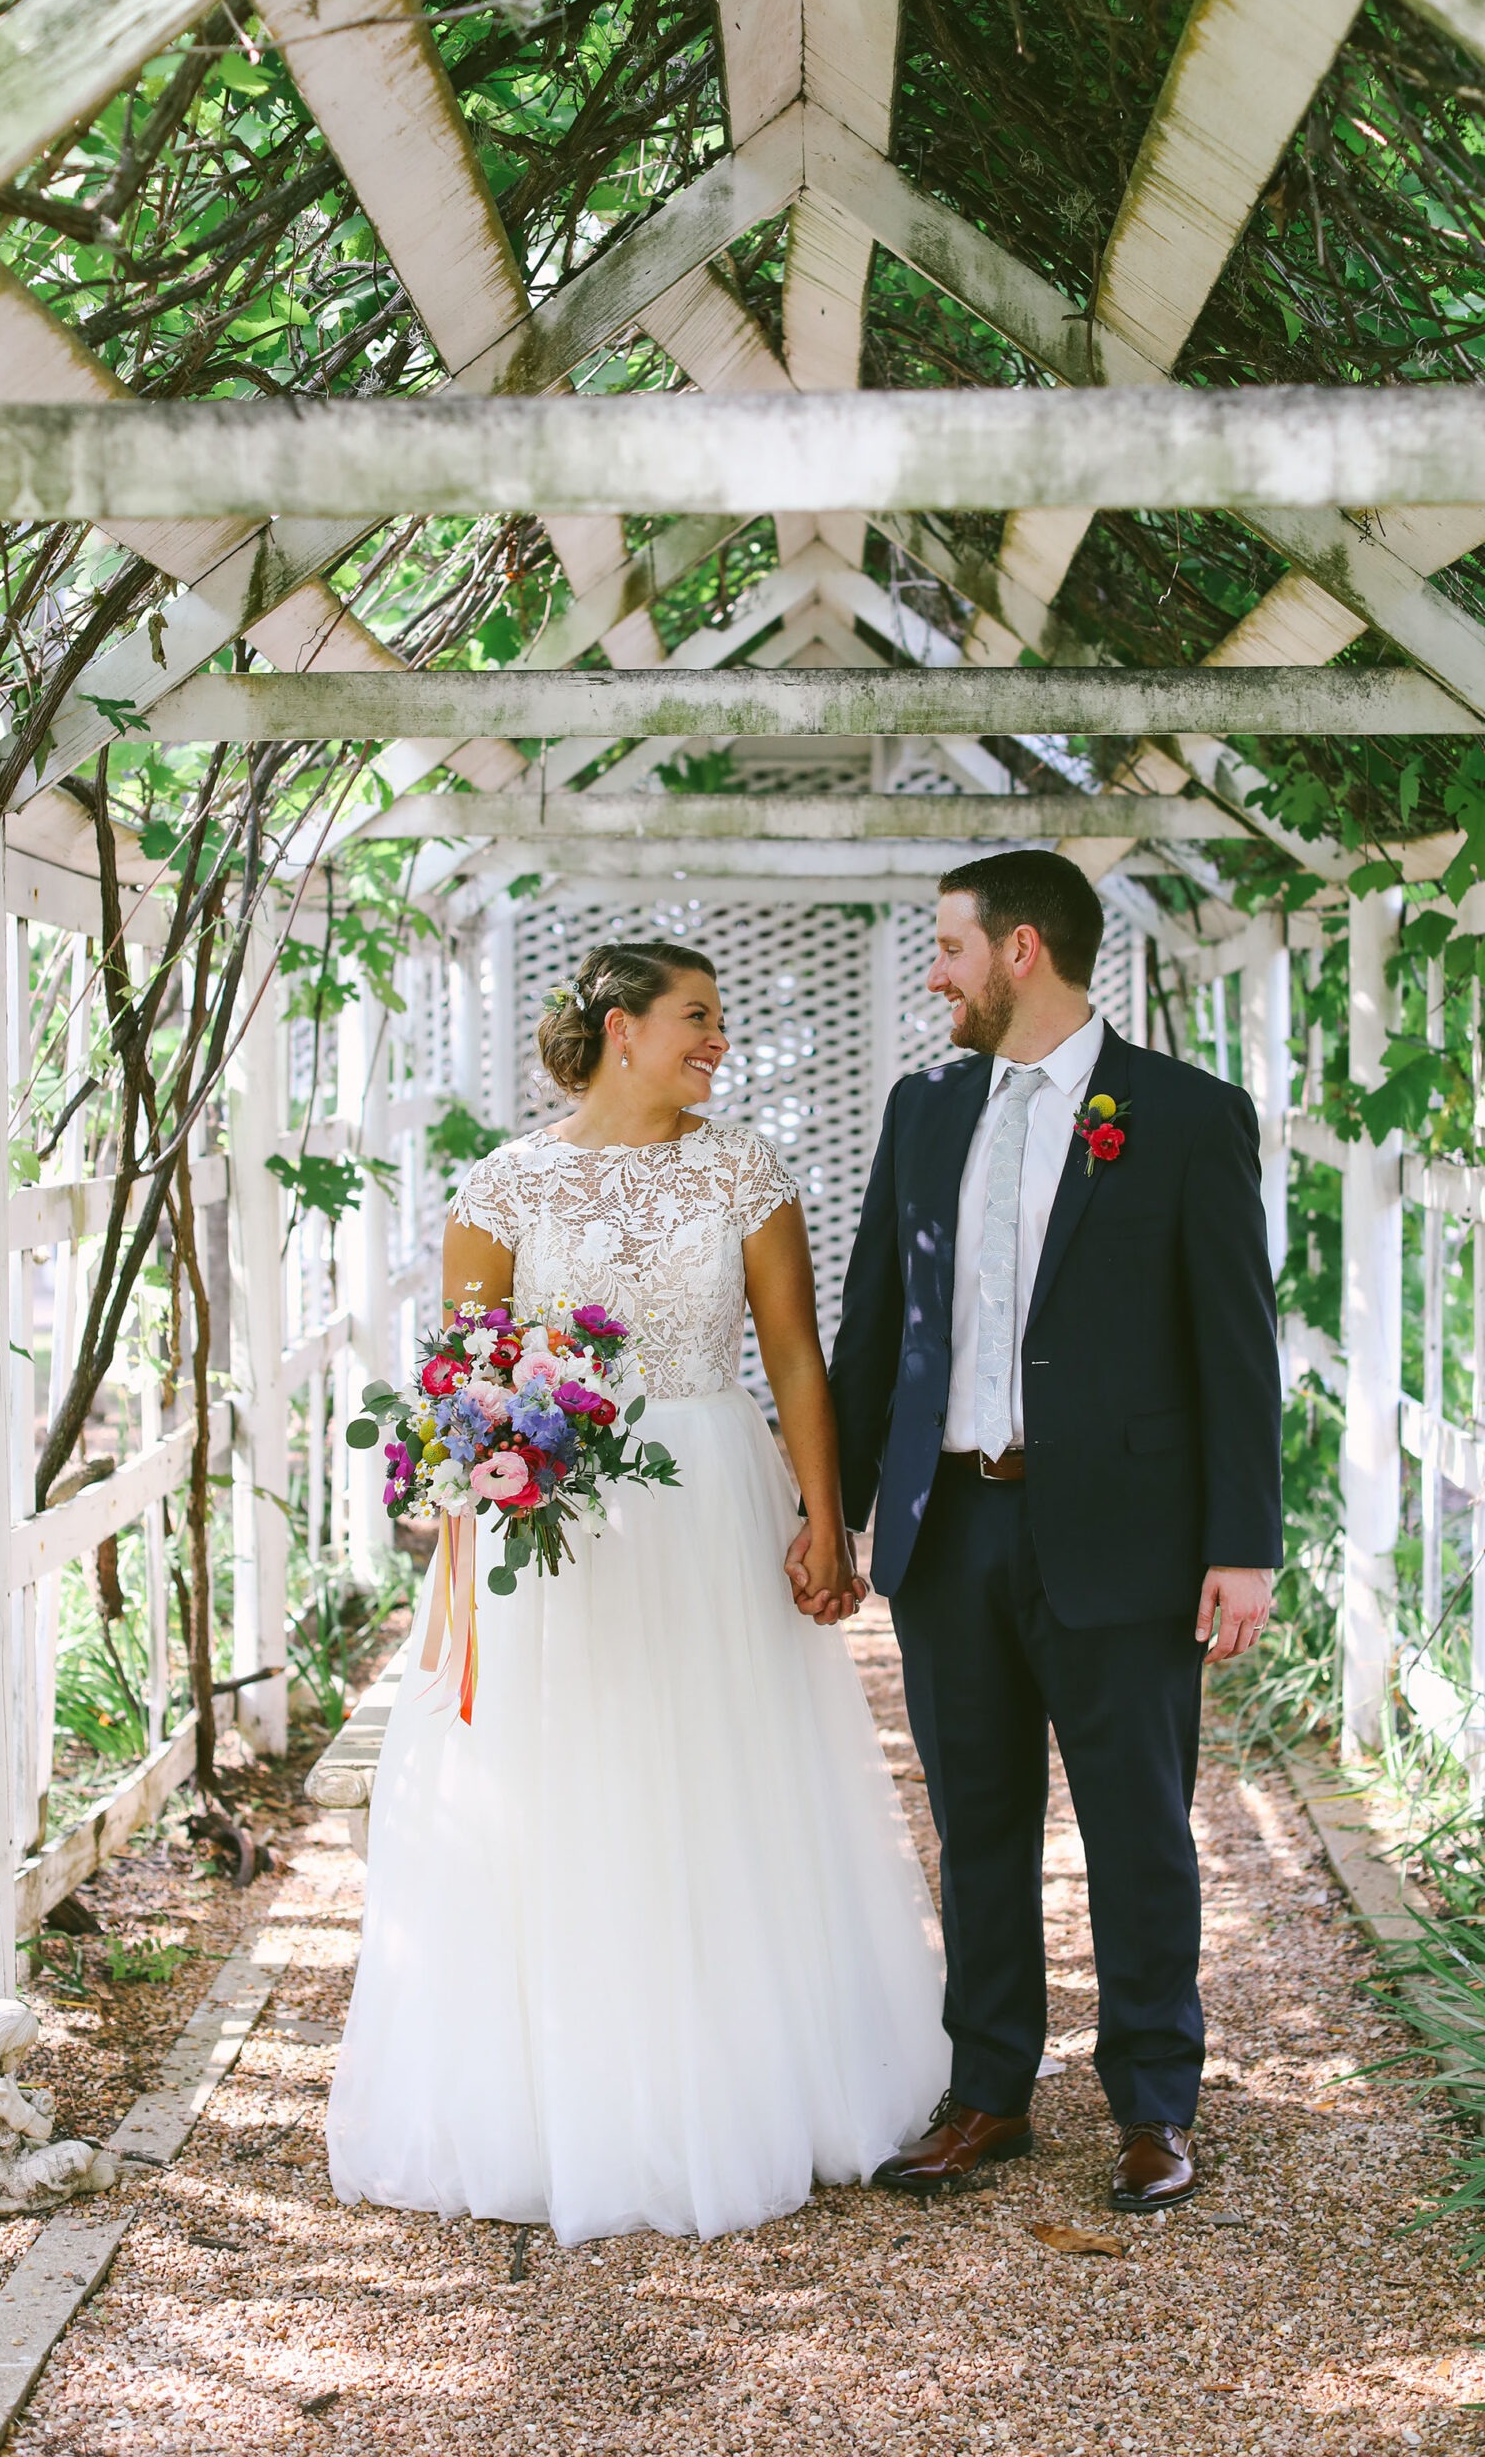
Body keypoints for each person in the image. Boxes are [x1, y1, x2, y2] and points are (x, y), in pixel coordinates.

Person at [328, 940, 949, 2244]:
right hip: (562, 1527)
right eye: (696, 1018)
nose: (716, 1041)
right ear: (620, 1030)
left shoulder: (741, 1171)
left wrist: (822, 1516)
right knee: (570, 1781)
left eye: (719, 1019)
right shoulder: (504, 1186)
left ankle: (742, 2081)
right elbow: (464, 1378)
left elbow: (792, 1354)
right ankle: (564, 2097)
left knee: (718, 1775)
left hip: (715, 1492)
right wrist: (497, 1471)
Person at [828, 852, 1282, 2212]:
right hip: (948, 1523)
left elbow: (1233, 1342)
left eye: (950, 948)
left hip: (1127, 1536)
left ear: (1021, 950)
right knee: (974, 1824)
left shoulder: (1186, 1114)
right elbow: (872, 1325)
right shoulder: (921, 1109)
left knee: (1137, 1827)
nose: (935, 973)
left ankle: (1151, 2106)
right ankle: (989, 2096)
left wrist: (1242, 1541)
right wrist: (832, 1513)